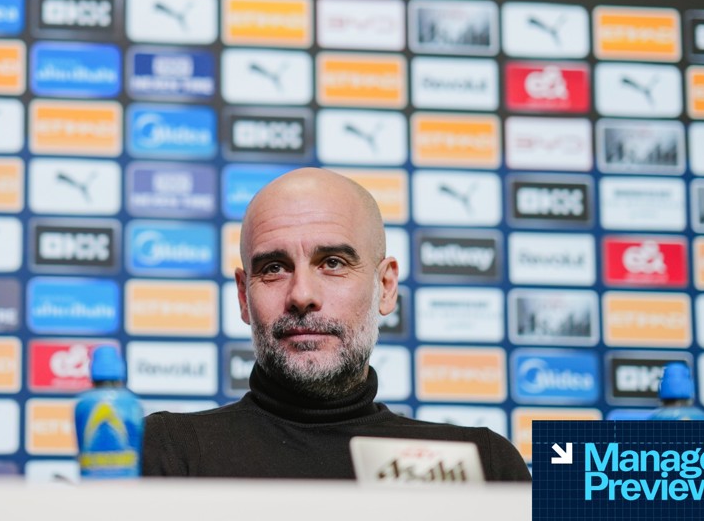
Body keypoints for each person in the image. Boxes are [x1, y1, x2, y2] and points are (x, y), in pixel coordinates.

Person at [142, 168, 531, 480]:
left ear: (385, 286)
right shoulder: (167, 452)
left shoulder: (485, 464)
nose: (302, 295)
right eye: (274, 268)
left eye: (333, 263)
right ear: (244, 296)